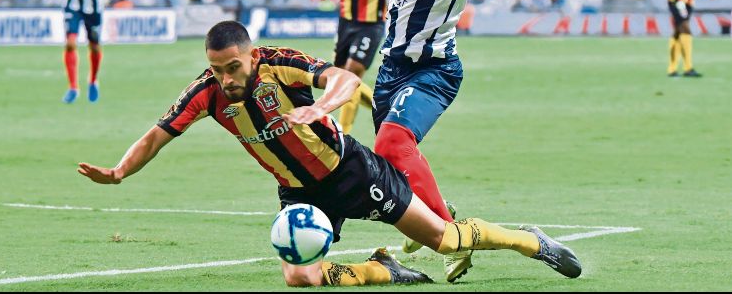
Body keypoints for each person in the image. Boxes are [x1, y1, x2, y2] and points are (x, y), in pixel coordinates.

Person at [77, 21, 581, 287]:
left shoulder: (281, 64)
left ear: (251, 55)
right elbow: (157, 134)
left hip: (354, 173)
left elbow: (345, 78)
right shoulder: (207, 93)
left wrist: (319, 106)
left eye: (233, 66)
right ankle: (384, 271)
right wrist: (121, 171)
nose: (226, 78)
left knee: (444, 241)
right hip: (299, 194)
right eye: (217, 69)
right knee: (301, 278)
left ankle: (528, 240)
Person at [352, 0, 532, 281]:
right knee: (390, 159)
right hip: (391, 67)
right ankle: (435, 212)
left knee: (392, 141)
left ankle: (454, 237)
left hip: (435, 69)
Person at [307, 0, 395, 133]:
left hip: (371, 22)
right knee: (341, 78)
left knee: (351, 74)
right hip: (346, 21)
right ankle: (382, 108)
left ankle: (343, 133)